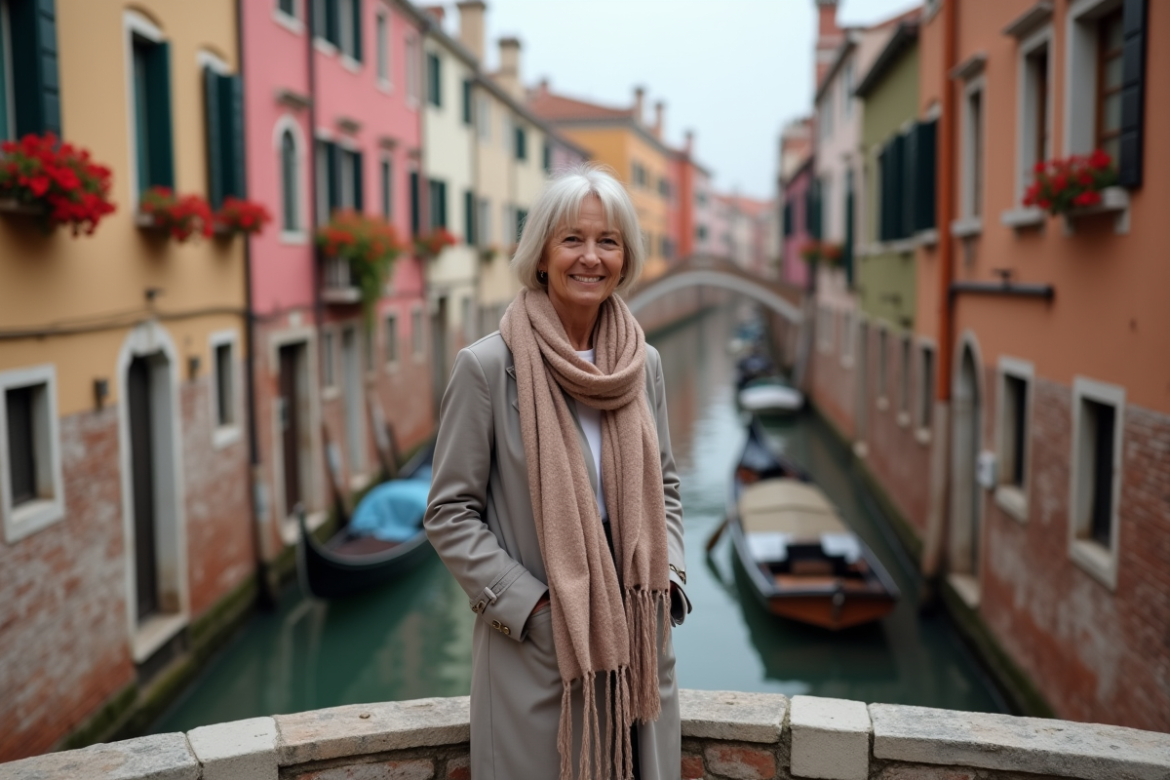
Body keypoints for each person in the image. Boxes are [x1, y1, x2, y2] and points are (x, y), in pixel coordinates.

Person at [424, 164, 690, 780]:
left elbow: (667, 486)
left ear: (625, 258)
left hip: (639, 659)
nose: (590, 257)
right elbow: (448, 513)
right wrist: (532, 605)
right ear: (541, 253)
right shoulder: (488, 368)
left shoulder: (642, 363)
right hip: (537, 661)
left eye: (608, 241)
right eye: (572, 239)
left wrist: (667, 579)